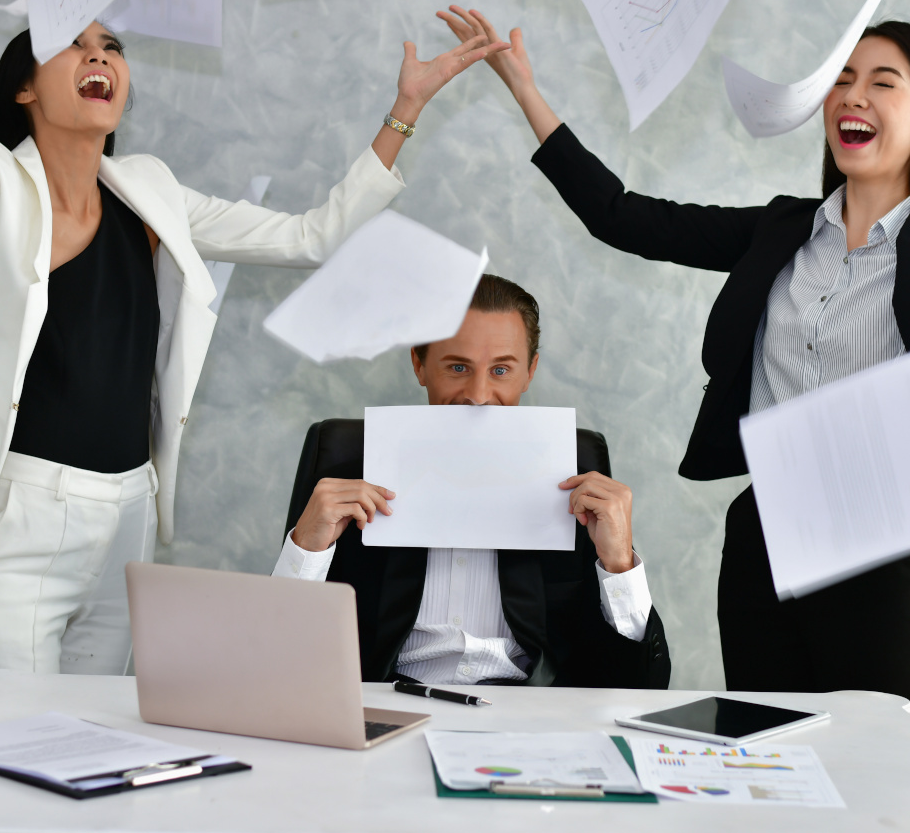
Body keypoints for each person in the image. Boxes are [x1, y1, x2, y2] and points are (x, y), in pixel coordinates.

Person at [439, 5, 910, 723]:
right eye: (843, 78)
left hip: (879, 543)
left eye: (881, 81)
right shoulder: (780, 232)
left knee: (876, 767)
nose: (852, 95)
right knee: (769, 759)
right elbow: (622, 215)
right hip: (763, 536)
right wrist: (527, 91)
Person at [0, 0, 508, 692]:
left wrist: (403, 112)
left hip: (127, 517)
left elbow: (309, 235)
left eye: (114, 46)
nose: (100, 55)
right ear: (25, 87)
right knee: (9, 753)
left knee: (93, 748)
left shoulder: (151, 190)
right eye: (75, 43)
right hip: (13, 520)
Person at [274, 275, 671, 689]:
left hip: (528, 712)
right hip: (386, 699)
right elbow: (274, 659)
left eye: (500, 369)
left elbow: (642, 684)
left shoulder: (577, 478)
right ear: (419, 365)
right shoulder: (344, 464)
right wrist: (306, 549)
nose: (478, 396)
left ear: (530, 371)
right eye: (458, 367)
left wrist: (619, 565)